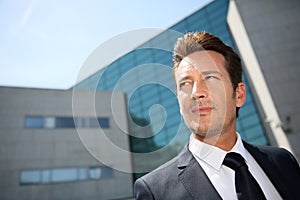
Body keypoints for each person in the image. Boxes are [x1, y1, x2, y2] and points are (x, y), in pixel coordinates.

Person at [134, 32, 300, 200]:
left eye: (210, 77)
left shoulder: (283, 161)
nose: (196, 92)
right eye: (185, 83)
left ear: (239, 95)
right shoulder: (155, 192)